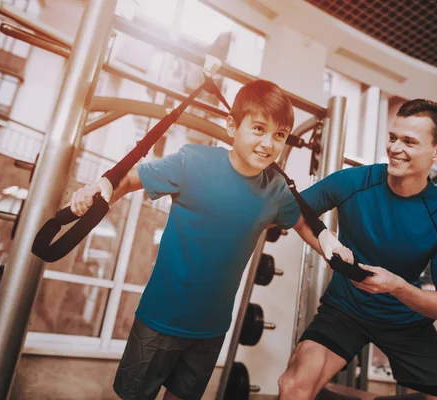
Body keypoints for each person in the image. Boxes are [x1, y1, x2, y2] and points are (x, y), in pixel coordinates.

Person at [69, 79, 350, 400]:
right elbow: (130, 179)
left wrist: (330, 248)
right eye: (258, 129)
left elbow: (302, 222)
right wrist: (101, 189)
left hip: (212, 329)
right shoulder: (193, 162)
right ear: (232, 126)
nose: (268, 143)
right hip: (159, 320)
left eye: (279, 135)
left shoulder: (275, 189)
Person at [278, 99, 437, 400]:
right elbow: (291, 212)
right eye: (393, 137)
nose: (394, 148)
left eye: (409, 141)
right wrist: (325, 246)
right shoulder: (353, 181)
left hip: (405, 320)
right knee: (293, 385)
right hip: (345, 309)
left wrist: (396, 287)